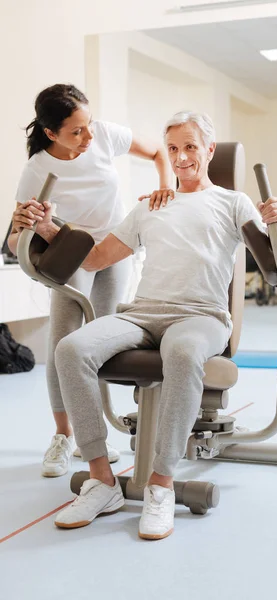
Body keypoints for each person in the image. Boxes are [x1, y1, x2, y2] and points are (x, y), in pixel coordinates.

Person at [18, 111, 277, 540]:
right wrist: (48, 227)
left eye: (191, 147)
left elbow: (274, 266)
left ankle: (160, 485)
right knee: (70, 349)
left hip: (202, 315)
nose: (181, 158)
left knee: (181, 353)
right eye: (174, 149)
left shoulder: (233, 202)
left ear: (210, 151)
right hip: (142, 313)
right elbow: (94, 258)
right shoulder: (150, 205)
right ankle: (102, 480)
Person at [7, 84, 173, 477]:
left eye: (88, 125)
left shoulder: (104, 135)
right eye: (76, 131)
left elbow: (156, 151)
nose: (88, 137)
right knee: (65, 340)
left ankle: (91, 435)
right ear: (51, 133)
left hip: (114, 246)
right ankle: (64, 436)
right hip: (71, 250)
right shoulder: (36, 171)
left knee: (100, 337)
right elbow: (15, 239)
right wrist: (26, 228)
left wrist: (167, 186)